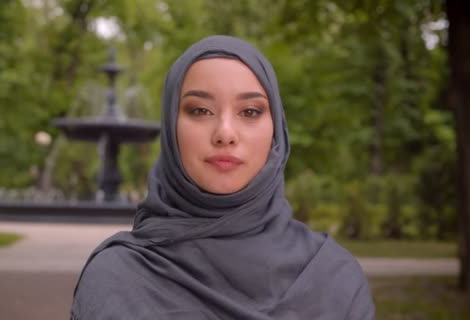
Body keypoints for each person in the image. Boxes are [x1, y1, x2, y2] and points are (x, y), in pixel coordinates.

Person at [71, 35, 375, 320]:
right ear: (170, 129)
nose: (225, 134)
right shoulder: (116, 277)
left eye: (251, 112)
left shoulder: (334, 277)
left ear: (276, 132)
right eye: (201, 110)